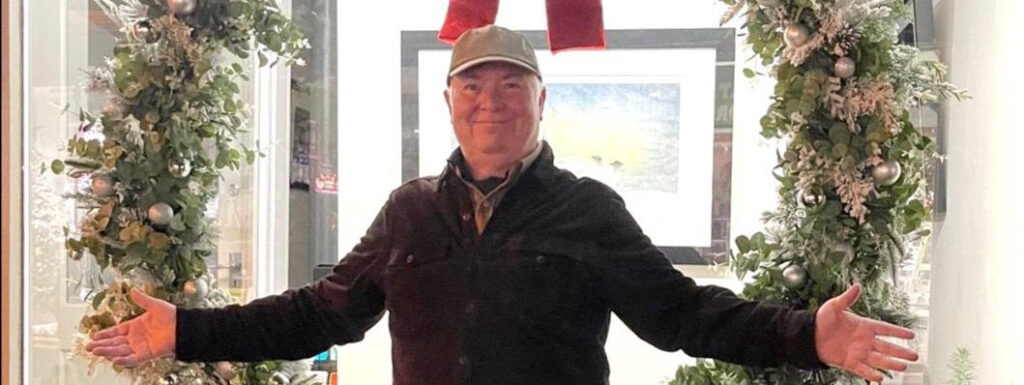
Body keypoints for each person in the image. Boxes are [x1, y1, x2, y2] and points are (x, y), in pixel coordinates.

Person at [87, 25, 918, 384]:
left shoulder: (590, 209)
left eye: (510, 84)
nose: (492, 100)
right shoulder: (407, 212)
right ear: (449, 103)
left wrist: (806, 335)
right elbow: (320, 315)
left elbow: (683, 314)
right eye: (473, 86)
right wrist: (185, 330)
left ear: (540, 100)